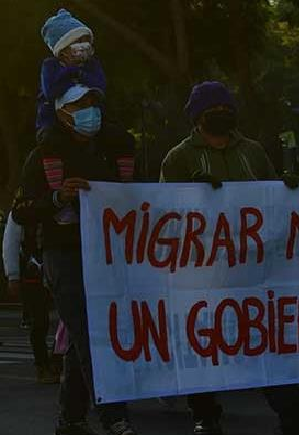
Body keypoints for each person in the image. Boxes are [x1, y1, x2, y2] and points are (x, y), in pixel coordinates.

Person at [159, 81, 299, 435]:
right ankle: (205, 415)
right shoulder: (179, 157)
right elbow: (164, 213)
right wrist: (192, 194)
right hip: (204, 268)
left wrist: (289, 189)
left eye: (227, 108)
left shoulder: (252, 151)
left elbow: (271, 195)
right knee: (203, 338)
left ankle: (293, 412)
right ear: (197, 117)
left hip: (253, 265)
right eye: (214, 110)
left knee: (265, 336)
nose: (222, 114)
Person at [12, 84, 136, 435]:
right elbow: (21, 211)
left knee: (85, 337)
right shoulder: (43, 156)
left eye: (93, 102)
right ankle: (114, 416)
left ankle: (71, 418)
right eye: (80, 104)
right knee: (89, 332)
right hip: (64, 254)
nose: (89, 110)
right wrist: (58, 198)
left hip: (107, 254)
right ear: (62, 112)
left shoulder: (112, 151)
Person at [3, 211, 57, 384]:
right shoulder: (21, 210)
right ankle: (42, 365)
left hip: (54, 268)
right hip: (32, 272)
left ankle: (56, 361)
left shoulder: (53, 205)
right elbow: (10, 242)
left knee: (64, 322)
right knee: (40, 321)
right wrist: (13, 275)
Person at [38, 9, 106, 141]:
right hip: (52, 121)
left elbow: (100, 86)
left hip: (89, 118)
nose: (85, 45)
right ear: (62, 49)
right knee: (51, 138)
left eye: (86, 40)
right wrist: (71, 71)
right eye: (78, 41)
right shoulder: (50, 65)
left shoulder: (92, 64)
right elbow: (51, 92)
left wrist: (78, 73)